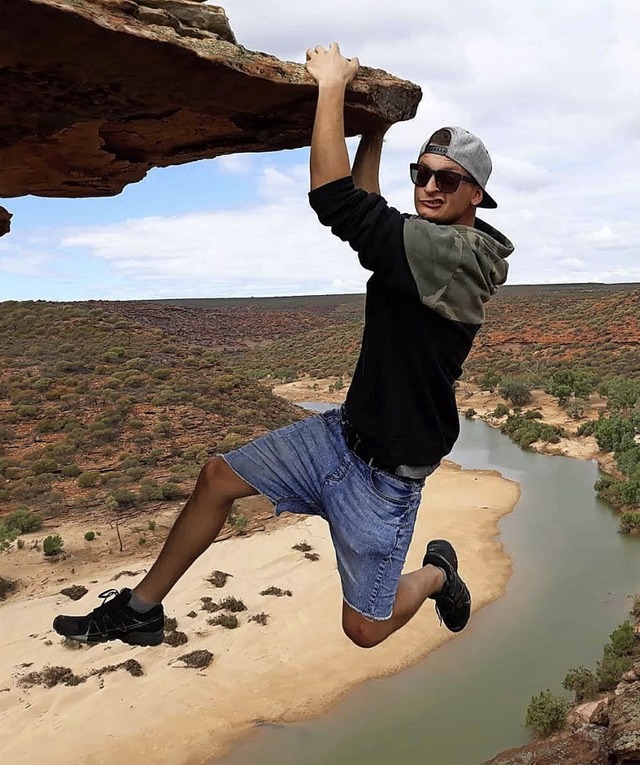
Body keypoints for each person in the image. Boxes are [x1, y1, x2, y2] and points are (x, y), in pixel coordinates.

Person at [53, 43, 514, 650]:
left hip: (385, 478)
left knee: (366, 630)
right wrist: (372, 133)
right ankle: (139, 609)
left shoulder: (450, 255)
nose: (429, 186)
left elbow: (335, 200)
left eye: (447, 179)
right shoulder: (428, 243)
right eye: (421, 173)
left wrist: (330, 85)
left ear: (475, 194)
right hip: (341, 435)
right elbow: (370, 211)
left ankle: (436, 574)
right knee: (217, 477)